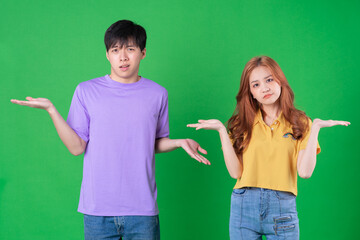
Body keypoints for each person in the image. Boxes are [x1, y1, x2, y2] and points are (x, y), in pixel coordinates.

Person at [11, 20, 209, 240]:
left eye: (130, 49)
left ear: (143, 53)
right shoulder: (86, 91)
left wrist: (178, 142)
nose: (123, 57)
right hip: (98, 211)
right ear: (107, 54)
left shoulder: (158, 93)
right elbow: (77, 148)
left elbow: (152, 142)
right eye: (115, 50)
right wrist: (51, 110)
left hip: (142, 210)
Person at [187, 56, 350, 239]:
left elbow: (305, 172)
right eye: (255, 85)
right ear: (251, 93)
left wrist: (316, 128)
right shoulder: (241, 124)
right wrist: (221, 131)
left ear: (280, 81)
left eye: (269, 80)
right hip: (243, 205)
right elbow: (235, 172)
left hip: (282, 208)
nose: (264, 88)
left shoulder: (301, 122)